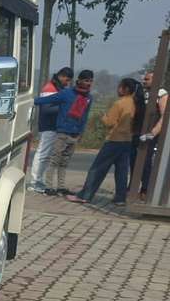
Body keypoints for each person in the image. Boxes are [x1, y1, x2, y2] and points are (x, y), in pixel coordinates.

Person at [66, 78, 140, 206]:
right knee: (121, 171)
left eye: (120, 87)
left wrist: (104, 116)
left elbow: (109, 122)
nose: (118, 89)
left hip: (114, 139)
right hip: (127, 140)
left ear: (125, 89)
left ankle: (85, 195)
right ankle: (120, 197)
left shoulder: (119, 103)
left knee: (97, 169)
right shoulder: (135, 103)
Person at [34, 69, 94, 196]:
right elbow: (41, 101)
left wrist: (81, 132)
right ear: (79, 81)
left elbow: (84, 116)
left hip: (75, 134)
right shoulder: (66, 93)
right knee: (54, 160)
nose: (88, 83)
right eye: (86, 80)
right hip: (62, 133)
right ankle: (48, 186)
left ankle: (61, 187)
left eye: (90, 81)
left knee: (65, 162)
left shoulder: (89, 98)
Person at [28, 66, 73, 194]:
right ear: (61, 76)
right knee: (43, 154)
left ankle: (39, 181)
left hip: (54, 126)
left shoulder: (57, 88)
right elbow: (46, 108)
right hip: (48, 126)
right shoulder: (50, 88)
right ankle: (35, 182)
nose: (67, 83)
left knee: (46, 155)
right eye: (67, 80)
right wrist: (65, 108)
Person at [138, 70, 168, 200]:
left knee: (147, 161)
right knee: (138, 161)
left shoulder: (161, 94)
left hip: (153, 136)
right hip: (141, 133)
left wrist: (153, 133)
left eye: (147, 79)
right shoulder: (144, 93)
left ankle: (146, 189)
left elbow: (164, 116)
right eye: (144, 79)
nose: (144, 81)